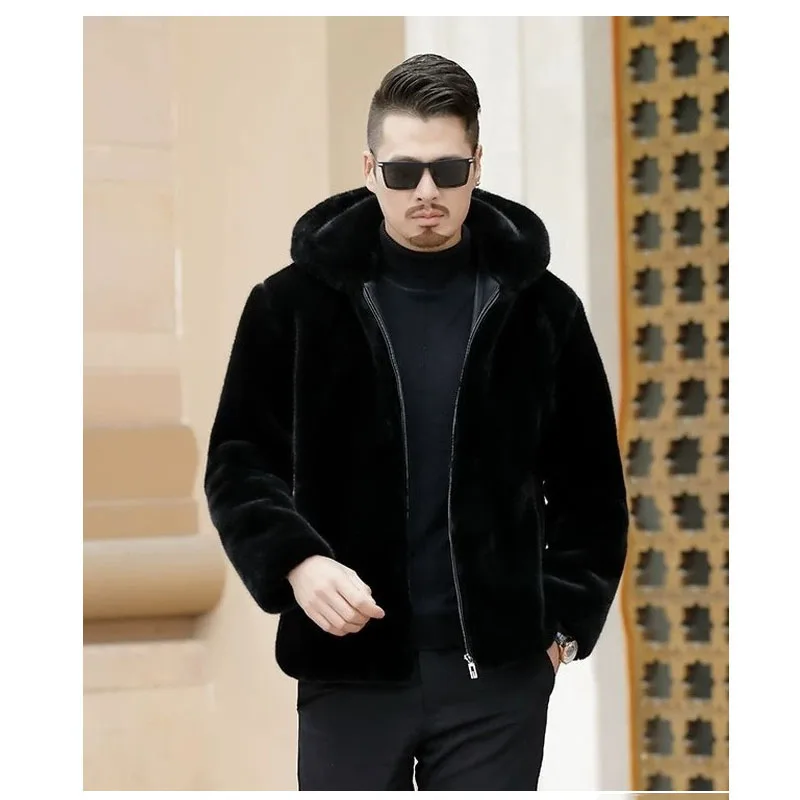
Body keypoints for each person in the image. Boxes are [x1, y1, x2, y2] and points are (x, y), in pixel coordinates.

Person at [204, 52, 629, 791]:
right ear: (370, 169)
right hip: (349, 668)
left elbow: (592, 489)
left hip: (497, 680)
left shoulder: (543, 309)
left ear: (477, 166)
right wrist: (298, 564)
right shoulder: (291, 305)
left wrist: (559, 629)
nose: (425, 191)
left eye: (448, 170)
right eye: (403, 172)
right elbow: (239, 464)